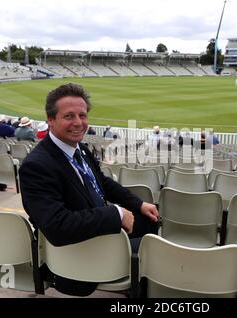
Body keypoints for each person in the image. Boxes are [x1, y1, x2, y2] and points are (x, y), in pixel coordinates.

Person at [19, 83, 159, 296]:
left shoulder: (79, 148)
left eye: (82, 116)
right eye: (69, 116)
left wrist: (138, 204)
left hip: (97, 228)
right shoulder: (36, 166)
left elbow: (101, 181)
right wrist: (116, 213)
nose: (78, 123)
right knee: (154, 247)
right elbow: (57, 227)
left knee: (152, 218)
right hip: (80, 255)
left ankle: (136, 286)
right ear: (50, 119)